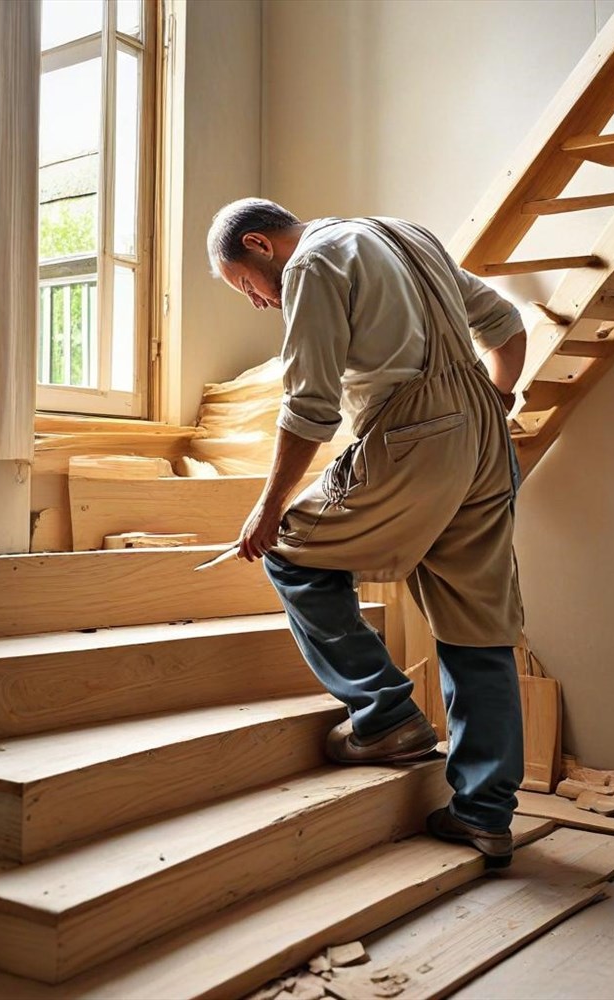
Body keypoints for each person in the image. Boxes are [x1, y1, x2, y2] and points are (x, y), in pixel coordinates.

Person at [206, 198, 527, 867]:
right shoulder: (408, 233)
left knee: (292, 553)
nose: (259, 301)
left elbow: (309, 406)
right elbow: (506, 323)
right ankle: (486, 815)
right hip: (485, 439)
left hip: (412, 433)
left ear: (261, 246)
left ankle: (383, 715)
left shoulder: (314, 265)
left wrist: (267, 511)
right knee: (479, 622)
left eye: (245, 286)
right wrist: (498, 397)